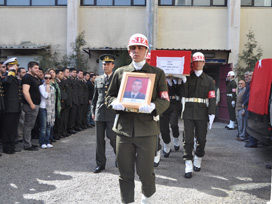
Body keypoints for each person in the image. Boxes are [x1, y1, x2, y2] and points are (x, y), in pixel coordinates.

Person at [106, 34, 170, 203]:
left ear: (146, 51)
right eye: (133, 48)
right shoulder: (120, 73)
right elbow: (109, 97)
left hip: (147, 131)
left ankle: (147, 199)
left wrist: (154, 107)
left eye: (140, 48)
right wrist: (115, 103)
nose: (136, 51)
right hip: (124, 130)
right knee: (125, 172)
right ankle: (127, 201)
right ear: (129, 51)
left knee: (146, 172)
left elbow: (165, 100)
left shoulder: (157, 73)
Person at [181, 52, 216, 179]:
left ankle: (198, 156)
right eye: (195, 62)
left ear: (204, 63)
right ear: (193, 63)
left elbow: (212, 97)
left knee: (201, 138)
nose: (198, 64)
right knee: (188, 139)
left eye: (200, 61)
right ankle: (188, 161)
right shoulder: (188, 77)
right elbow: (183, 94)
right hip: (189, 111)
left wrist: (212, 113)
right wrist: (184, 81)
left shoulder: (209, 80)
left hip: (202, 111)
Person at [91, 54, 117, 173]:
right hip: (99, 113)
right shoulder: (98, 79)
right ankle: (100, 164)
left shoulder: (117, 79)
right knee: (99, 140)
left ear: (113, 65)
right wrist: (93, 112)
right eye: (103, 64)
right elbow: (95, 98)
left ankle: (120, 158)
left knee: (113, 137)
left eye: (107, 64)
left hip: (112, 113)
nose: (105, 66)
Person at [1, 57, 22, 154]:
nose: (16, 67)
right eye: (14, 66)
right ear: (9, 66)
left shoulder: (13, 77)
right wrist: (11, 72)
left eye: (16, 66)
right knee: (7, 128)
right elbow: (7, 83)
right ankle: (7, 147)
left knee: (13, 128)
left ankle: (12, 146)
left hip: (16, 107)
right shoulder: (6, 76)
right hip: (9, 107)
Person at [160, 77, 182, 159]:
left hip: (173, 104)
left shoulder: (174, 79)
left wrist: (176, 82)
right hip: (163, 104)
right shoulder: (160, 78)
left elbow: (179, 92)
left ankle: (176, 138)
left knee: (173, 124)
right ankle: (166, 144)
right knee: (163, 128)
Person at [22, 61, 41, 151]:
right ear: (30, 69)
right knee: (28, 125)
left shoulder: (34, 78)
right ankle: (27, 145)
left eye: (38, 68)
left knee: (31, 125)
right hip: (30, 105)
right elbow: (25, 92)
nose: (37, 70)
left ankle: (29, 142)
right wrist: (31, 103)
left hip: (35, 104)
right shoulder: (27, 77)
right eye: (35, 68)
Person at [38, 72, 55, 149]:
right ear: (43, 78)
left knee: (49, 126)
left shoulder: (53, 88)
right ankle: (42, 142)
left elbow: (53, 100)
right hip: (43, 108)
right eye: (46, 78)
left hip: (50, 109)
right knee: (43, 127)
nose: (48, 80)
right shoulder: (41, 87)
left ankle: (47, 141)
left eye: (49, 78)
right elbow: (45, 96)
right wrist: (47, 88)